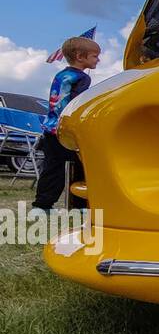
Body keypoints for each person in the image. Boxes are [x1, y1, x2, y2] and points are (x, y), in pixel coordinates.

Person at [30, 36, 100, 215]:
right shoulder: (82, 78)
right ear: (80, 56)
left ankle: (42, 205)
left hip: (51, 129)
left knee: (52, 168)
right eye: (94, 56)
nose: (98, 60)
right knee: (81, 168)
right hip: (69, 132)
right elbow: (76, 104)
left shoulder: (61, 75)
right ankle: (79, 207)